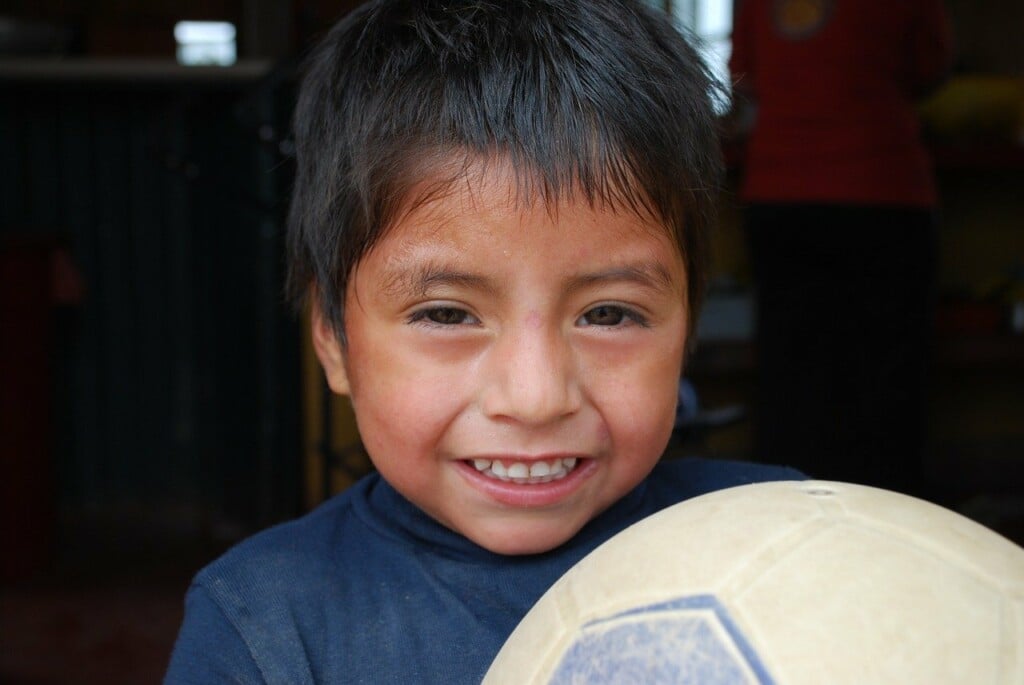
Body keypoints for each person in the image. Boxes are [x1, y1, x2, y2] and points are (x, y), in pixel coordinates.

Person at [164, 1, 803, 682]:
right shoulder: (264, 628)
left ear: (688, 323)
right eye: (445, 314)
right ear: (332, 338)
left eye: (610, 313)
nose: (534, 398)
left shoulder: (791, 547)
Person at [728, 0, 953, 495]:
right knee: (886, 380)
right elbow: (931, 69)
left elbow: (745, 77)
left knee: (789, 370)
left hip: (780, 193)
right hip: (882, 191)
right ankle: (891, 517)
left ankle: (785, 506)